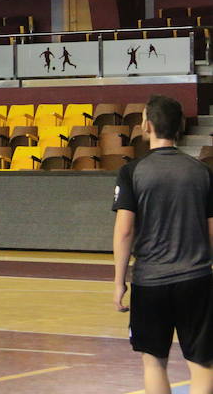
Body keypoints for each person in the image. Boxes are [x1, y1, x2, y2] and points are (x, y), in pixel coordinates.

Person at [112, 95, 212, 394]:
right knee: (203, 364)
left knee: (154, 362)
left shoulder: (132, 172)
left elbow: (124, 232)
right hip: (197, 280)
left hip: (150, 283)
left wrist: (119, 282)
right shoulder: (203, 172)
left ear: (146, 125)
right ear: (180, 126)